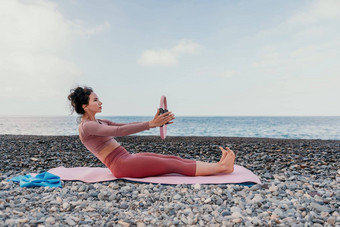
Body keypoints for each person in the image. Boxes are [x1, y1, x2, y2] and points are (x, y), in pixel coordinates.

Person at [68, 86, 235, 178]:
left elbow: (125, 124)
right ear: (84, 106)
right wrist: (151, 124)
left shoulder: (98, 121)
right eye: (95, 100)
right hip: (121, 165)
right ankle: (221, 168)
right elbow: (119, 131)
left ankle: (218, 167)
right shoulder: (87, 127)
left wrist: (154, 122)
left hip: (127, 159)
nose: (100, 102)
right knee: (173, 165)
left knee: (173, 158)